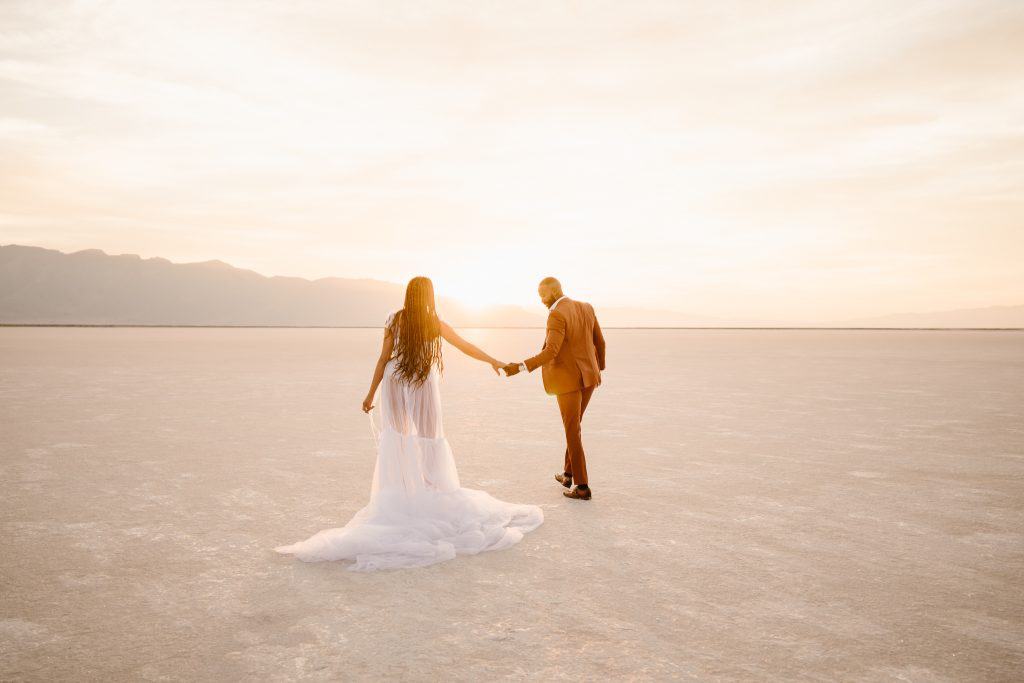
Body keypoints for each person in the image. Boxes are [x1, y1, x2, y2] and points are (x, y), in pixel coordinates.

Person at [274, 276, 543, 571]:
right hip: (421, 381)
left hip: (394, 379)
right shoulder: (433, 322)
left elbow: (382, 359)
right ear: (429, 296)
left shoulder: (394, 319)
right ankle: (433, 491)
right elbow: (464, 346)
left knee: (399, 438)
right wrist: (494, 361)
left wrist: (370, 394)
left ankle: (402, 493)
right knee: (429, 437)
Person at [502, 277, 605, 500]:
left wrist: (520, 367)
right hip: (589, 378)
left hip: (567, 381)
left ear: (555, 291)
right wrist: (598, 370)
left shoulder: (556, 314)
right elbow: (601, 343)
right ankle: (568, 474)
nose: (541, 300)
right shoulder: (586, 307)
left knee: (572, 430)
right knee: (574, 425)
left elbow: (551, 351)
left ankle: (582, 486)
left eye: (543, 295)